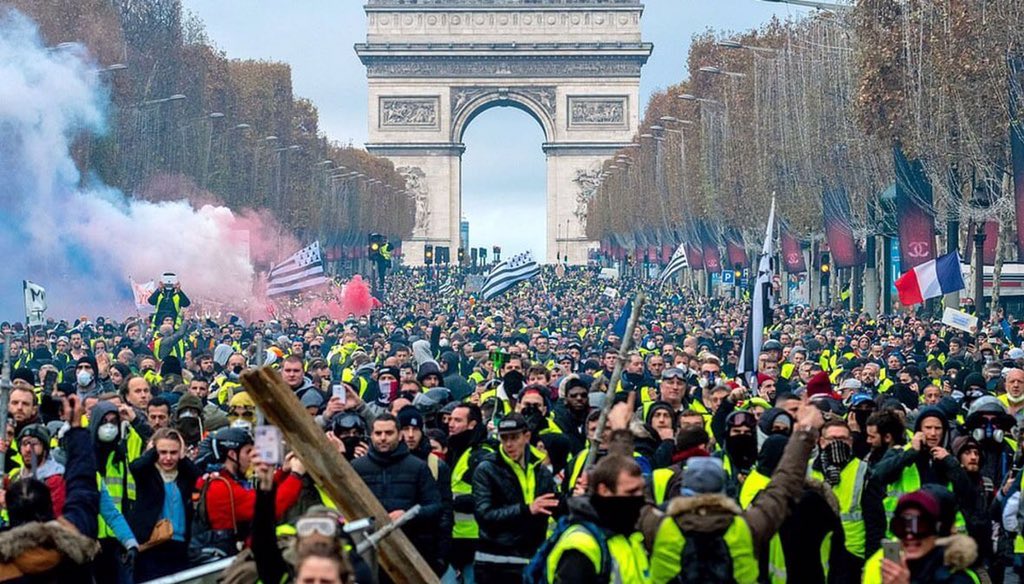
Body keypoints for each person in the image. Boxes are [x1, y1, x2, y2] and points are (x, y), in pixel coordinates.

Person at [647, 397, 825, 584]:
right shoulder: (744, 527)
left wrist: (625, 438)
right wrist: (804, 434)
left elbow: (633, 500)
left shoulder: (661, 527)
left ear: (683, 490)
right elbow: (783, 487)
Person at [0, 396, 99, 582]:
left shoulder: (5, 566)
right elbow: (83, 489)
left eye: (34, 443)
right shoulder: (76, 541)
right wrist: (76, 429)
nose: (29, 449)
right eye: (25, 443)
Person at [472, 413, 561, 583]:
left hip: (532, 559)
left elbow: (553, 505)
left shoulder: (541, 470)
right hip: (495, 563)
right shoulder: (487, 469)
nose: (508, 444)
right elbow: (485, 515)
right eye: (504, 438)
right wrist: (527, 509)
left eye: (514, 437)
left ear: (526, 437)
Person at [351, 413, 444, 574]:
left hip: (411, 549)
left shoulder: (418, 467)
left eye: (389, 433)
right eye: (378, 433)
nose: (383, 438)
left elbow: (435, 506)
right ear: (371, 435)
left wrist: (408, 515)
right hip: (369, 551)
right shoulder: (357, 467)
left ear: (400, 435)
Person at [545, 454, 650, 583]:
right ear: (604, 490)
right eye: (631, 492)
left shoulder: (630, 535)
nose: (639, 498)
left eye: (641, 491)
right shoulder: (583, 545)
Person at [128, 427, 200, 580]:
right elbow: (135, 467)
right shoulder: (147, 473)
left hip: (180, 546)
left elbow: (197, 476)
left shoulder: (184, 475)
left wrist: (183, 457)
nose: (168, 458)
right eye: (162, 452)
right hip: (151, 545)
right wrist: (152, 453)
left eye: (173, 453)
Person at [863, 490, 979, 584]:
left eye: (919, 526)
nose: (909, 536)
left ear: (936, 529)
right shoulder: (890, 570)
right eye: (901, 527)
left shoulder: (958, 578)